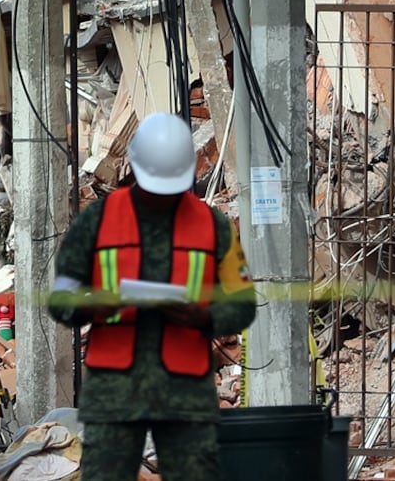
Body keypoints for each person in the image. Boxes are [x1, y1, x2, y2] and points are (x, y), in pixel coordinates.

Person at [47, 112, 257, 481]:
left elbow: (243, 304)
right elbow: (61, 300)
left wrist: (204, 316)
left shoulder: (214, 226)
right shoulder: (96, 221)